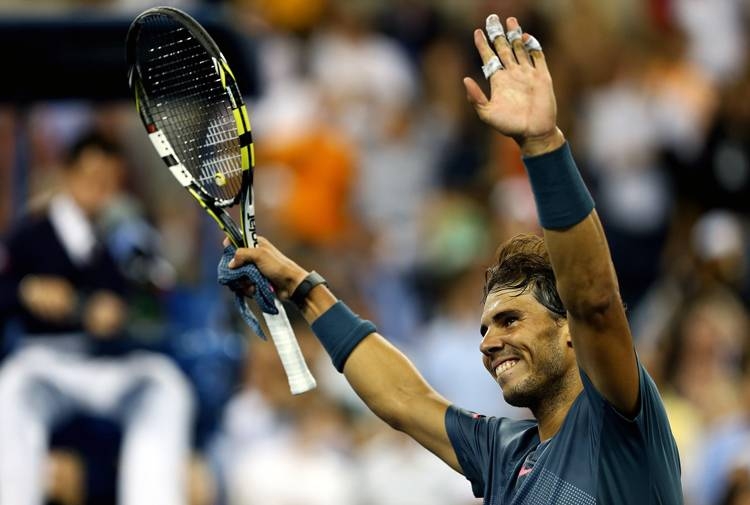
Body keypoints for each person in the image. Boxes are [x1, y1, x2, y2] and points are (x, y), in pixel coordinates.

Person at [228, 14, 683, 504]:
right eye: (485, 328)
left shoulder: (621, 427)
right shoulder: (505, 455)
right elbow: (404, 399)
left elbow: (593, 299)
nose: (489, 343)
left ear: (568, 330)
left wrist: (543, 145)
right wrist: (301, 285)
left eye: (509, 320)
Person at [0, 131, 194, 505]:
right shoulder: (30, 234)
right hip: (47, 360)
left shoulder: (129, 238)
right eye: (91, 178)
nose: (100, 189)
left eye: (109, 181)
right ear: (68, 175)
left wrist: (123, 315)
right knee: (11, 388)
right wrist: (27, 290)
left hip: (112, 362)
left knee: (166, 387)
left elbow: (160, 304)